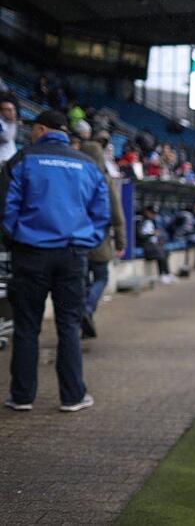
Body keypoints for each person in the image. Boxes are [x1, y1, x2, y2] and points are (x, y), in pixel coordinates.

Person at [1, 110, 109, 412]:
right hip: (73, 255)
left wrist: (16, 239)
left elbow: (6, 208)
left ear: (40, 128)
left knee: (26, 327)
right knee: (69, 326)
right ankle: (72, 396)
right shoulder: (87, 164)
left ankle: (22, 397)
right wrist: (85, 242)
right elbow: (102, 214)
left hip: (30, 254)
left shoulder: (22, 159)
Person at [78, 138, 126, 339]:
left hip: (77, 240)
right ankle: (87, 309)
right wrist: (121, 242)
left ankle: (83, 312)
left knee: (83, 281)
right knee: (101, 277)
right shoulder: (104, 179)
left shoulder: (76, 174)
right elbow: (117, 215)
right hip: (99, 240)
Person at [137, 206, 174, 284]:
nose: (153, 215)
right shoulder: (140, 220)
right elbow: (139, 236)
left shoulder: (152, 221)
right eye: (152, 213)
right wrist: (152, 234)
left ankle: (164, 274)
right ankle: (165, 275)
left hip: (153, 245)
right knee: (160, 253)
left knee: (165, 251)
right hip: (145, 245)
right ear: (146, 211)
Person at [0, 94, 18, 164]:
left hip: (9, 160)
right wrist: (13, 122)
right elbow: (6, 138)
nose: (12, 112)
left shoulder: (8, 122)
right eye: (8, 110)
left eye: (13, 109)